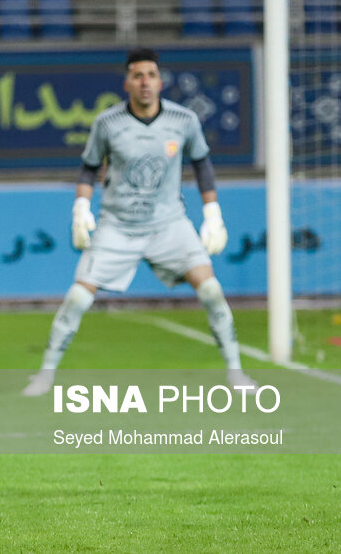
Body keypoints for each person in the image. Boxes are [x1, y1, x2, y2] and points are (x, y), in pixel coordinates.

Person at [22, 48, 254, 396]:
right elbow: (88, 167)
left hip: (169, 224)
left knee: (210, 290)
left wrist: (213, 214)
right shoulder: (107, 123)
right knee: (78, 297)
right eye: (137, 75)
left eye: (151, 75)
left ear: (160, 82)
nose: (145, 82)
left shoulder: (184, 120)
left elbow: (202, 164)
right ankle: (45, 375)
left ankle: (236, 373)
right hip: (117, 226)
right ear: (127, 83)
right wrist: (81, 208)